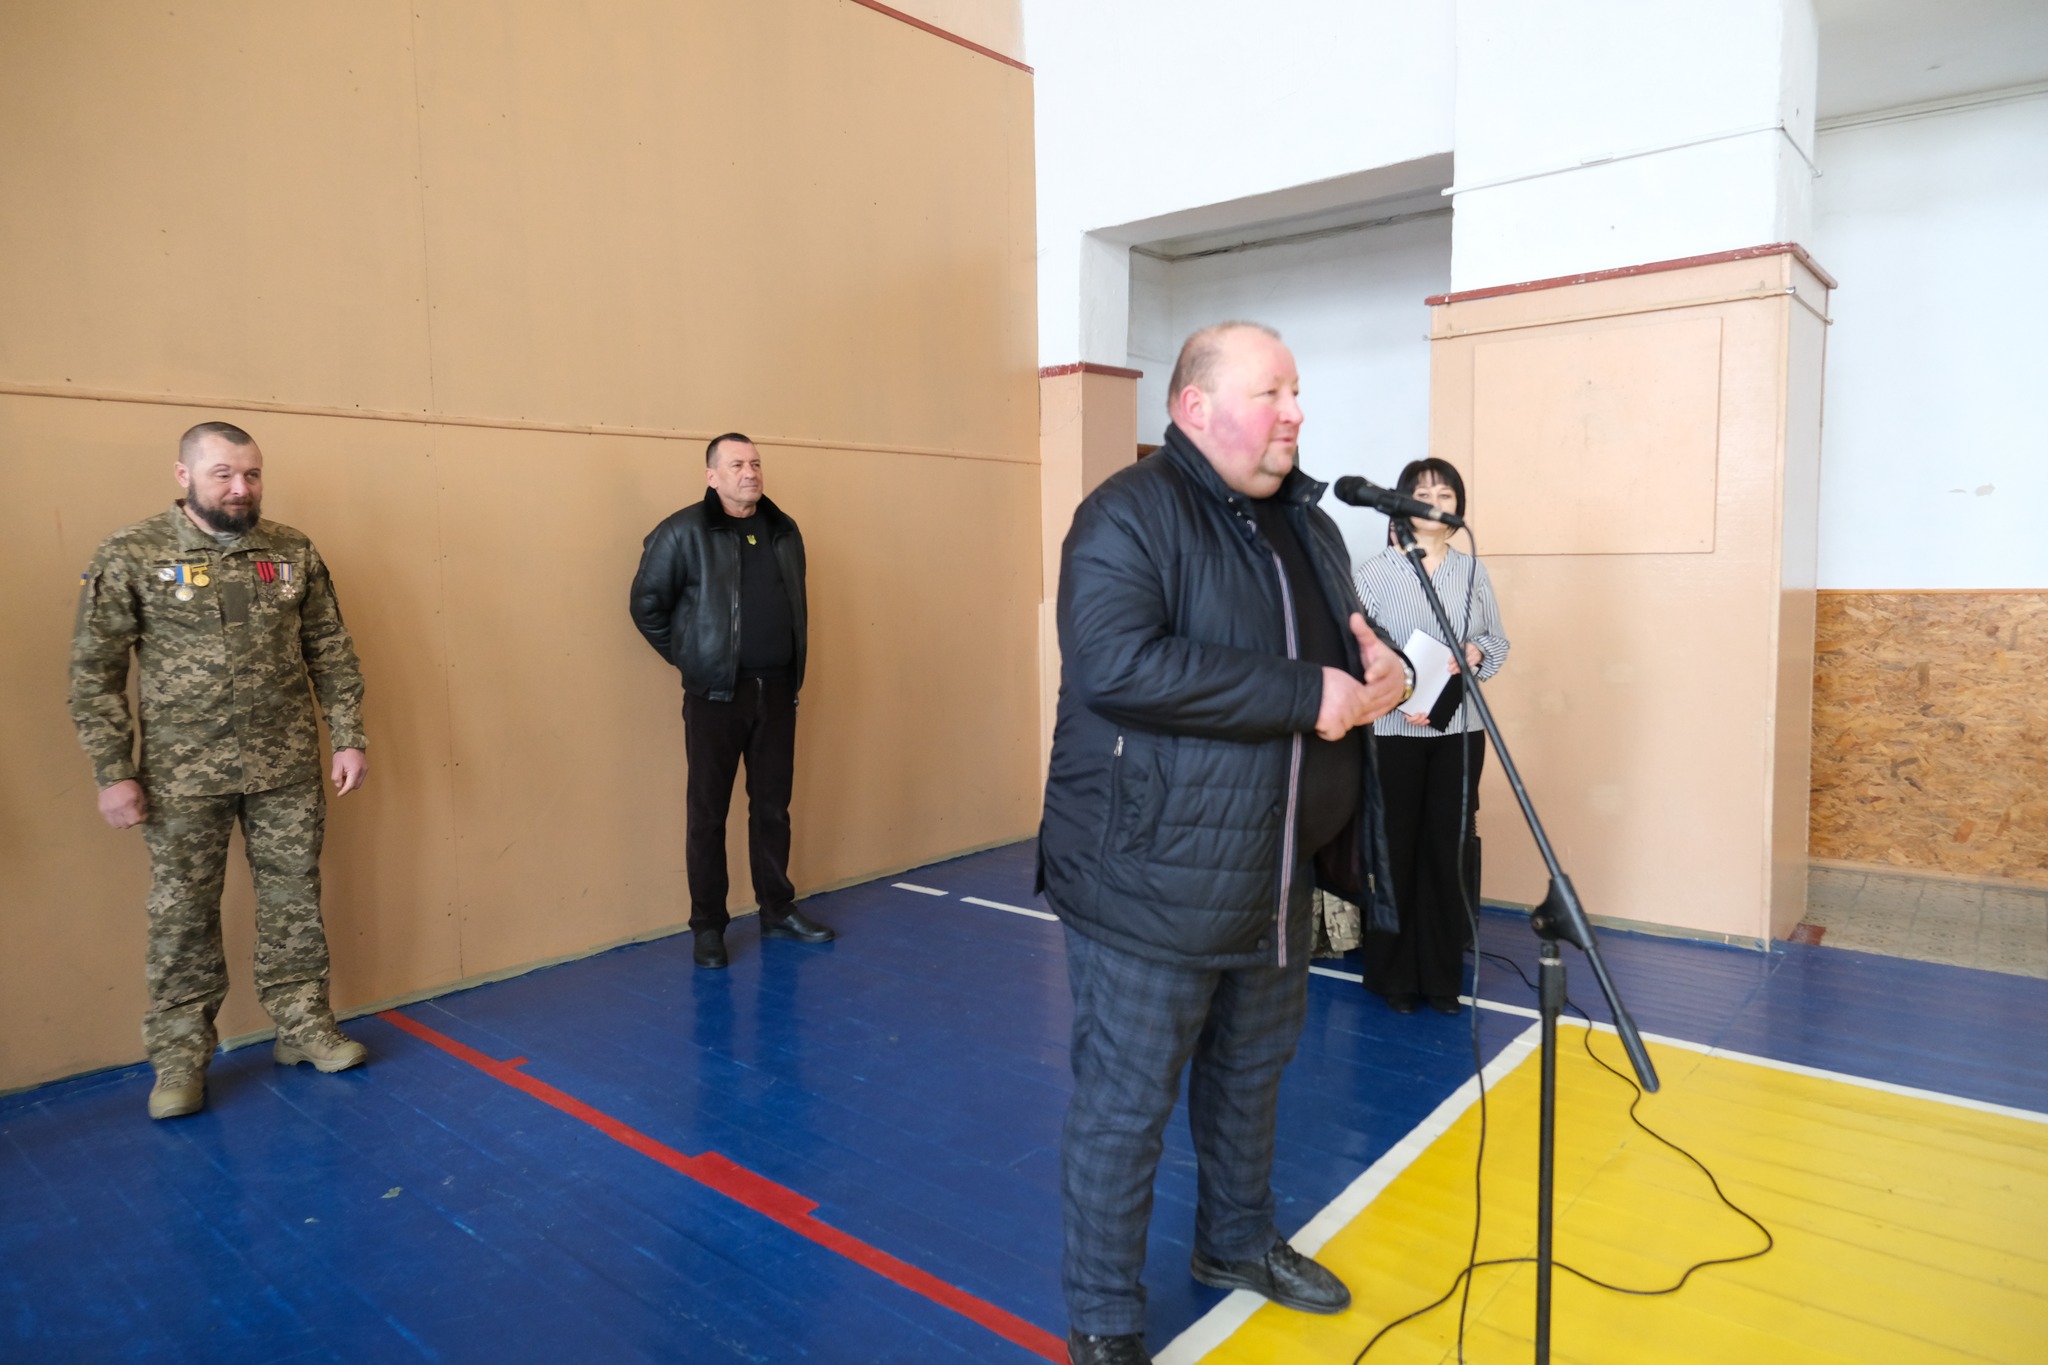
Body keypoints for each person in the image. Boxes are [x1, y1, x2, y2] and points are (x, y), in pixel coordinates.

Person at [1039, 323, 1413, 1365]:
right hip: (1147, 878)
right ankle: (1104, 1319)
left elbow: (1342, 655)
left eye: (1297, 391)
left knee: (1253, 1074)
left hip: (1273, 869)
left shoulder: (1309, 524)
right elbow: (1115, 665)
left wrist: (1384, 672)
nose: (1295, 412)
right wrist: (1307, 694)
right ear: (1193, 408)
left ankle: (1236, 1242)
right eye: (1271, 392)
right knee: (1125, 1108)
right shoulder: (1127, 513)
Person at [68, 421, 371, 1121]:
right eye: (223, 474)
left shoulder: (292, 551)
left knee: (294, 902)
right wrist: (113, 771)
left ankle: (303, 1026)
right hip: (182, 774)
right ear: (184, 476)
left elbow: (330, 648)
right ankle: (179, 1059)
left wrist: (348, 737)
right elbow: (94, 672)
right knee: (182, 914)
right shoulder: (133, 552)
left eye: (252, 474)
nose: (241, 488)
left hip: (285, 765)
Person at [629, 432, 830, 970]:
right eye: (737, 464)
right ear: (711, 476)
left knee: (772, 810)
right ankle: (708, 927)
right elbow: (646, 605)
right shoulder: (682, 532)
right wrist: (694, 661)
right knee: (708, 814)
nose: (750, 473)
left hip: (778, 690)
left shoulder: (784, 530)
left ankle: (777, 910)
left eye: (756, 463)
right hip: (716, 697)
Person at [1354, 458, 1509, 1015]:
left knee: (1448, 850)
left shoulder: (1472, 573)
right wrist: (1402, 694)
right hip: (1392, 730)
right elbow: (1356, 651)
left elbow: (1498, 641)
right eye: (1423, 494)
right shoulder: (1372, 573)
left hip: (1459, 729)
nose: (1436, 503)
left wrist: (1476, 651)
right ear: (1402, 503)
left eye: (1446, 494)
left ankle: (1442, 977)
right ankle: (1393, 975)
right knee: (1395, 850)